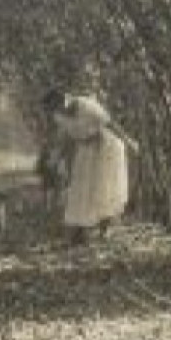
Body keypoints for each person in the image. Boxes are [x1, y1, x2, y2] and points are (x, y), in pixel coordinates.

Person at [41, 88, 135, 244]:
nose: (60, 108)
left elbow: (110, 124)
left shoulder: (86, 105)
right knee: (81, 189)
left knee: (104, 187)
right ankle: (80, 231)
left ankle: (105, 230)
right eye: (55, 107)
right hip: (85, 149)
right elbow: (66, 139)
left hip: (106, 147)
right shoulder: (59, 117)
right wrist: (57, 158)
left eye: (61, 103)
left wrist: (128, 141)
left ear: (67, 97)